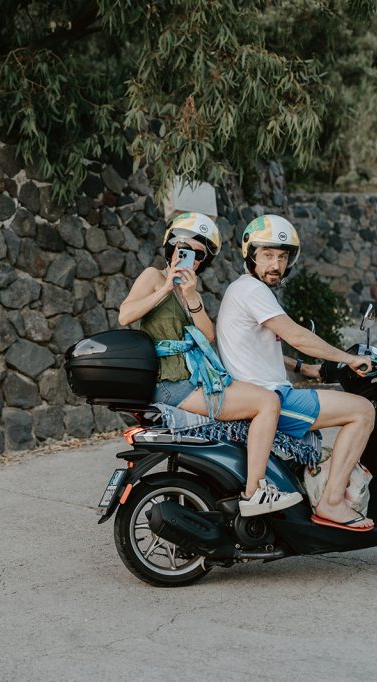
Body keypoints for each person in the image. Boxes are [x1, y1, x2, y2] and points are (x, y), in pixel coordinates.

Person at [118, 212, 301, 516]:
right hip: (171, 384)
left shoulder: (190, 289)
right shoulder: (153, 276)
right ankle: (255, 492)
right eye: (183, 248)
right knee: (267, 403)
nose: (189, 257)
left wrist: (190, 295)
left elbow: (208, 335)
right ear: (170, 247)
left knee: (260, 399)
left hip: (193, 379)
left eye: (198, 254)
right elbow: (125, 315)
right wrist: (165, 288)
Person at [216, 214, 376, 532]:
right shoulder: (253, 291)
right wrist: (349, 359)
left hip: (260, 391)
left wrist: (303, 367)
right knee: (362, 411)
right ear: (251, 256)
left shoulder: (243, 289)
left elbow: (256, 347)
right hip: (271, 398)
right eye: (267, 255)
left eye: (282, 257)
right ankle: (332, 502)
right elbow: (297, 336)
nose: (275, 264)